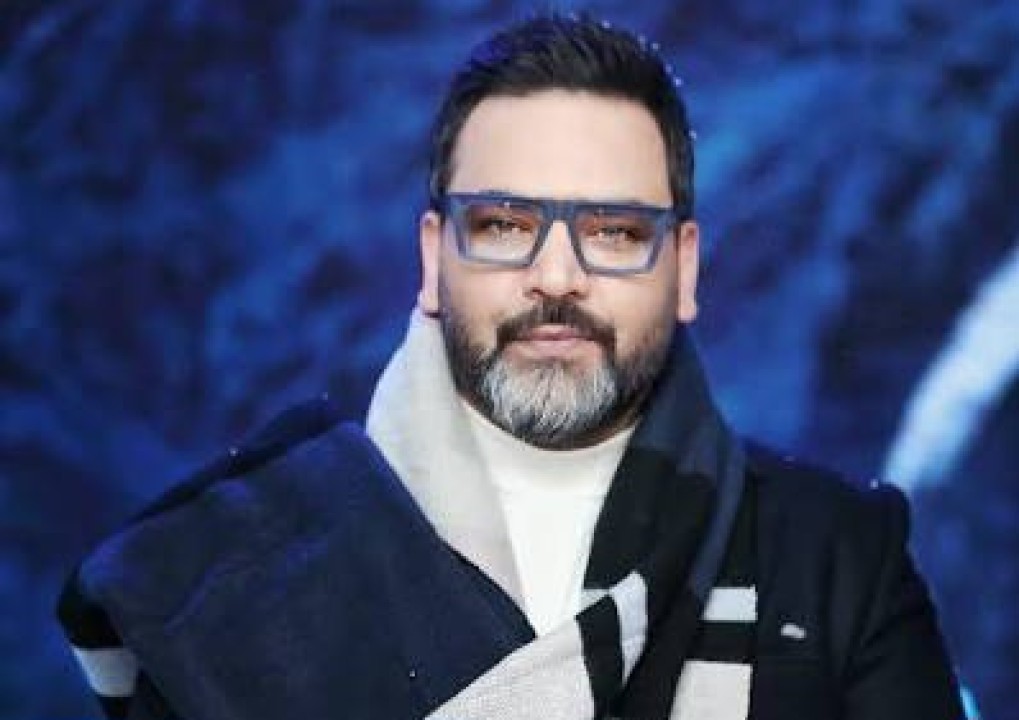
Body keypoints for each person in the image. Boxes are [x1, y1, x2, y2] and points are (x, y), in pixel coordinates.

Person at [57, 14, 964, 720]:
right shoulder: (227, 577)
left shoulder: (840, 557)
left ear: (684, 269)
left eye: (614, 232)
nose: (557, 277)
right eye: (503, 226)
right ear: (431, 259)